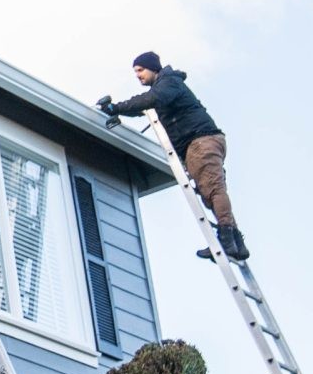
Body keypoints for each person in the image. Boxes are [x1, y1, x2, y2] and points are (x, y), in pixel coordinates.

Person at [98, 54, 248, 260]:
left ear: (153, 69)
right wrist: (118, 111)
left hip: (200, 141)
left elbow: (150, 100)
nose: (138, 75)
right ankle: (236, 243)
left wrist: (117, 107)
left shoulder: (168, 83)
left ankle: (226, 240)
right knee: (210, 192)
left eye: (140, 70)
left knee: (213, 190)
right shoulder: (165, 89)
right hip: (202, 142)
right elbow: (146, 107)